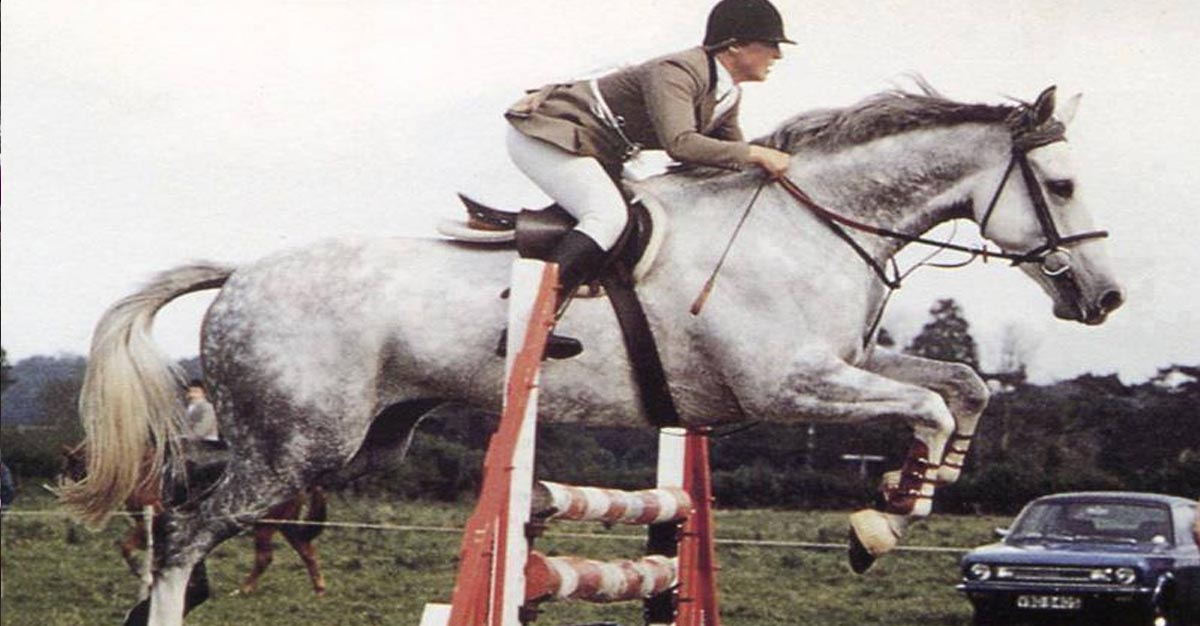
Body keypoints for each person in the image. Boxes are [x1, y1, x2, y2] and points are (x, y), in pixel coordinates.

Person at [503, 0, 795, 357]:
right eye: (770, 44)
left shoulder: (727, 94)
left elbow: (729, 155)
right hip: (550, 134)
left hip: (593, 147)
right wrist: (758, 154)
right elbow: (682, 144)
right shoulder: (676, 71)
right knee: (607, 216)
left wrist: (780, 173)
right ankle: (527, 324)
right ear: (734, 44)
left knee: (645, 212)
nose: (778, 55)